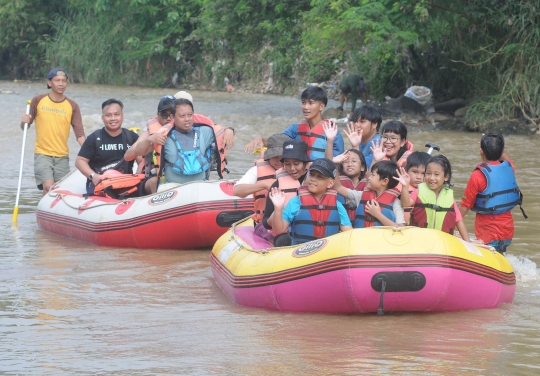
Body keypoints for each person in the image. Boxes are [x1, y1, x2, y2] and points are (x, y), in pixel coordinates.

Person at [126, 93, 234, 194]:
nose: (187, 119)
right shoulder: (163, 135)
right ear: (174, 117)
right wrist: (150, 139)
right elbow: (138, 151)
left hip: (200, 185)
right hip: (172, 187)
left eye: (189, 115)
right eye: (182, 116)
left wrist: (230, 130)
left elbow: (220, 131)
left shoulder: (204, 131)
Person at [20, 67, 86, 195]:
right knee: (48, 186)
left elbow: (80, 135)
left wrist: (91, 152)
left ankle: (49, 213)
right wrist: (24, 121)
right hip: (42, 154)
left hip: (62, 156)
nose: (61, 84)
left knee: (60, 191)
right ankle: (43, 213)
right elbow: (25, 127)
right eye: (57, 80)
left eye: (64, 81)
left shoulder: (72, 106)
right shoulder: (38, 100)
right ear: (49, 83)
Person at [459, 132, 526, 253]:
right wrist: (494, 145)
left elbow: (465, 207)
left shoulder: (477, 176)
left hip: (488, 234)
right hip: (507, 232)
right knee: (500, 258)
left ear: (481, 152)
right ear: (501, 151)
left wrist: (448, 223)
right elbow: (505, 158)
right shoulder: (509, 167)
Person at [243, 86, 345, 160]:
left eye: (311, 103)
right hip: (297, 173)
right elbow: (277, 141)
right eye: (303, 102)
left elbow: (337, 161)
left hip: (320, 177)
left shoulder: (333, 132)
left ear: (321, 106)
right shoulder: (295, 129)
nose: (305, 107)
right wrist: (261, 139)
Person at [269, 158, 352, 246]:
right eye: (311, 175)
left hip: (328, 253)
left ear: (330, 183)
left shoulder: (337, 206)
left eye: (319, 177)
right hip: (300, 252)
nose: (313, 179)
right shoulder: (295, 202)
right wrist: (278, 208)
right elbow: (279, 230)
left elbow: (349, 234)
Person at [233, 134, 291, 241]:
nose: (279, 161)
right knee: (277, 237)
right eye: (275, 157)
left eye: (282, 158)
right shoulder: (256, 170)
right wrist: (263, 185)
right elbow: (237, 191)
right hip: (264, 223)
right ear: (268, 155)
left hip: (289, 221)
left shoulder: (295, 170)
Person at [75, 99, 139, 195]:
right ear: (102, 118)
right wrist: (93, 176)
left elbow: (142, 161)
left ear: (122, 116)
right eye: (108, 115)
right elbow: (80, 161)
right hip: (100, 184)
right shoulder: (94, 138)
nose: (113, 118)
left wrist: (136, 177)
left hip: (125, 183)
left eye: (116, 114)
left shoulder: (132, 137)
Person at [400, 155, 471, 241]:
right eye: (428, 173)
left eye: (436, 174)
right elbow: (405, 203)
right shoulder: (419, 191)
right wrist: (405, 186)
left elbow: (459, 221)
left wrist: (468, 242)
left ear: (446, 177)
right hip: (419, 239)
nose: (431, 178)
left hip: (442, 241)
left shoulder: (449, 197)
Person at [333, 154, 405, 228]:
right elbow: (338, 187)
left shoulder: (395, 202)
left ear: (385, 181)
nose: (369, 178)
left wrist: (377, 214)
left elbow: (401, 228)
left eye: (373, 175)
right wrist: (335, 165)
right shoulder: (360, 196)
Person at [262, 139, 311, 246]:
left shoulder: (315, 182)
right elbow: (265, 222)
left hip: (311, 229)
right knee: (283, 241)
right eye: (287, 164)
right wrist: (277, 210)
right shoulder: (277, 186)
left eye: (296, 164)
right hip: (286, 233)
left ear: (305, 163)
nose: (292, 168)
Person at [395, 151, 432, 222]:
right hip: (399, 225)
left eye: (423, 173)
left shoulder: (433, 190)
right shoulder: (396, 186)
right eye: (415, 172)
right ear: (406, 171)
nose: (419, 177)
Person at [337, 149, 367, 222]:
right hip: (342, 224)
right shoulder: (337, 181)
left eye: (354, 161)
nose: (349, 164)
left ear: (362, 167)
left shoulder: (368, 182)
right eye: (346, 162)